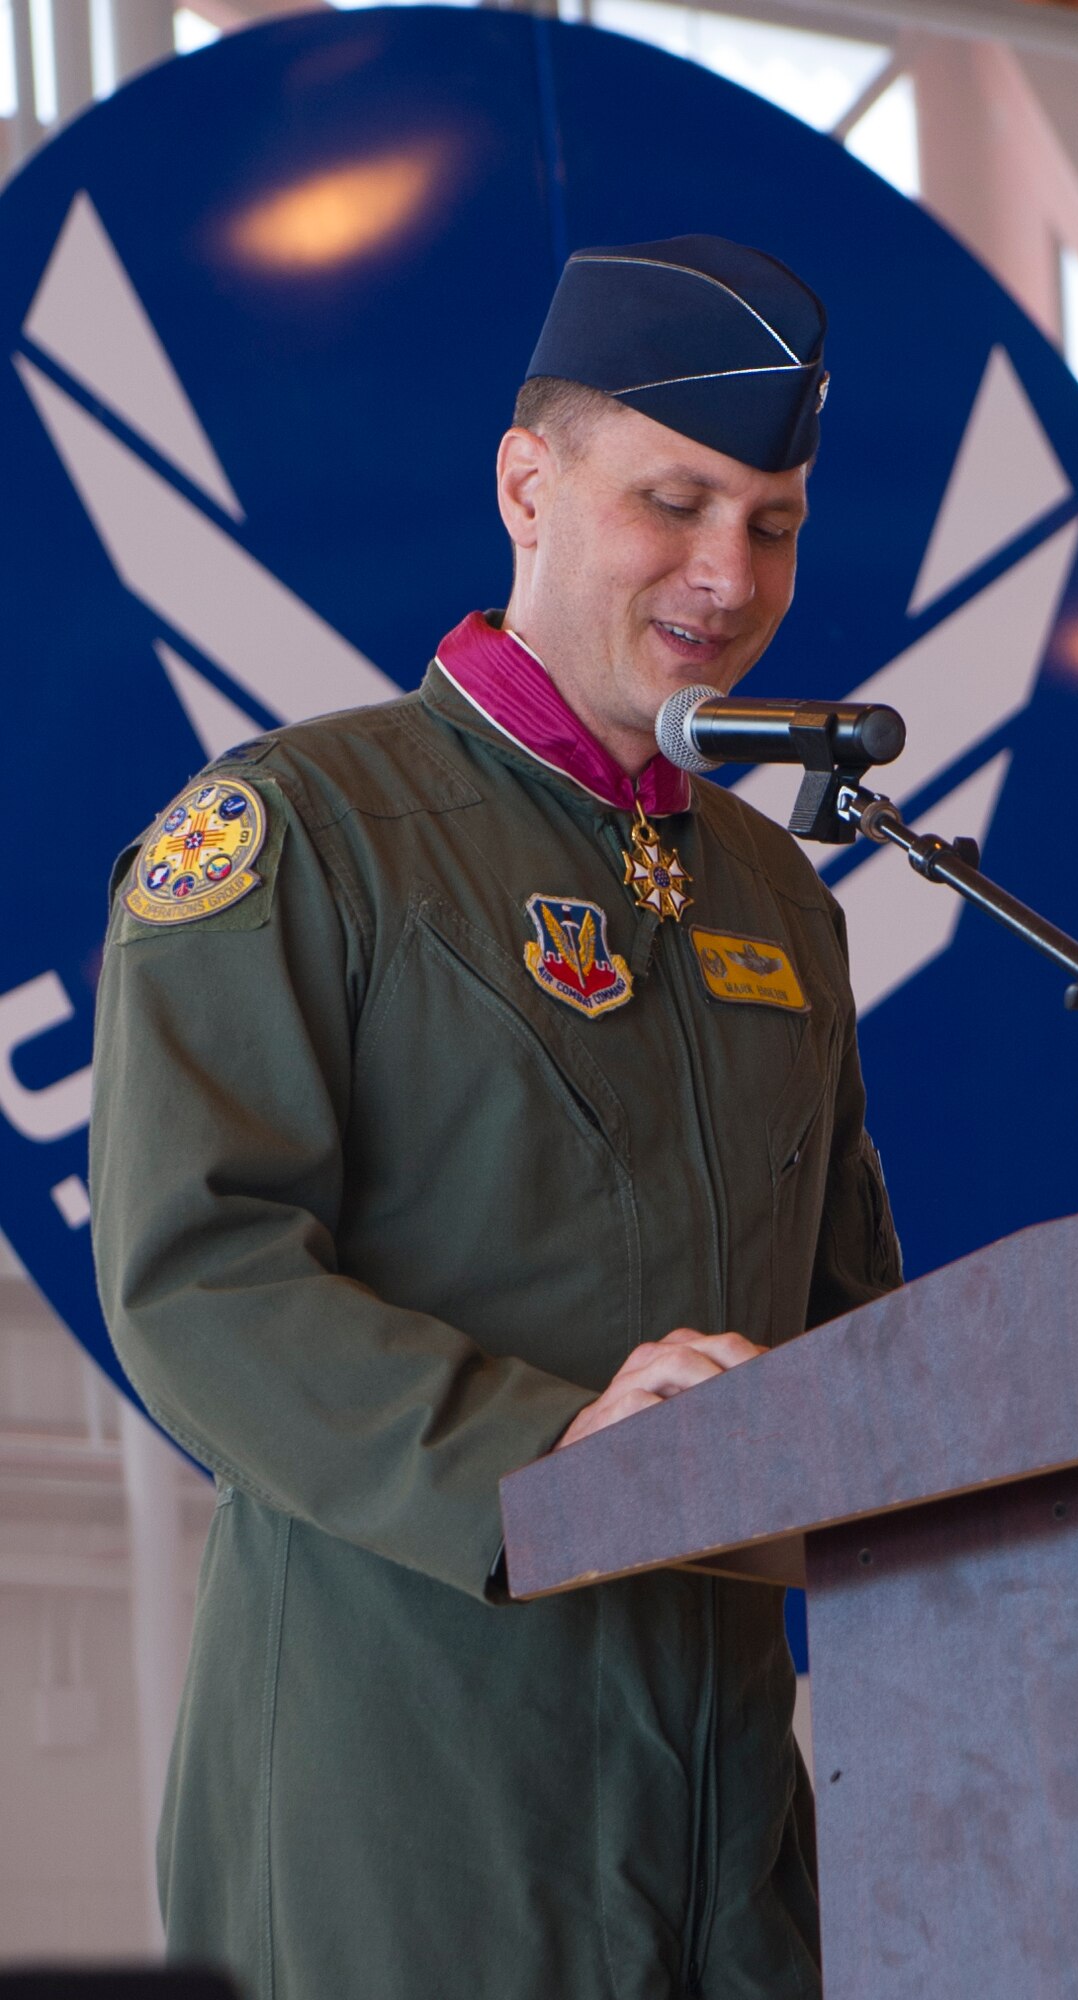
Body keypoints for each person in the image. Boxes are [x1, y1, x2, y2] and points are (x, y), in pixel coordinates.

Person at [91, 236, 901, 2000]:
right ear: (528, 484)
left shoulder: (781, 893)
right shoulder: (302, 830)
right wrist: (550, 1467)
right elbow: (195, 1273)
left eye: (772, 521)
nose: (725, 571)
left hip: (736, 1825)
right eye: (673, 502)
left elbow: (849, 1321)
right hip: (406, 1799)